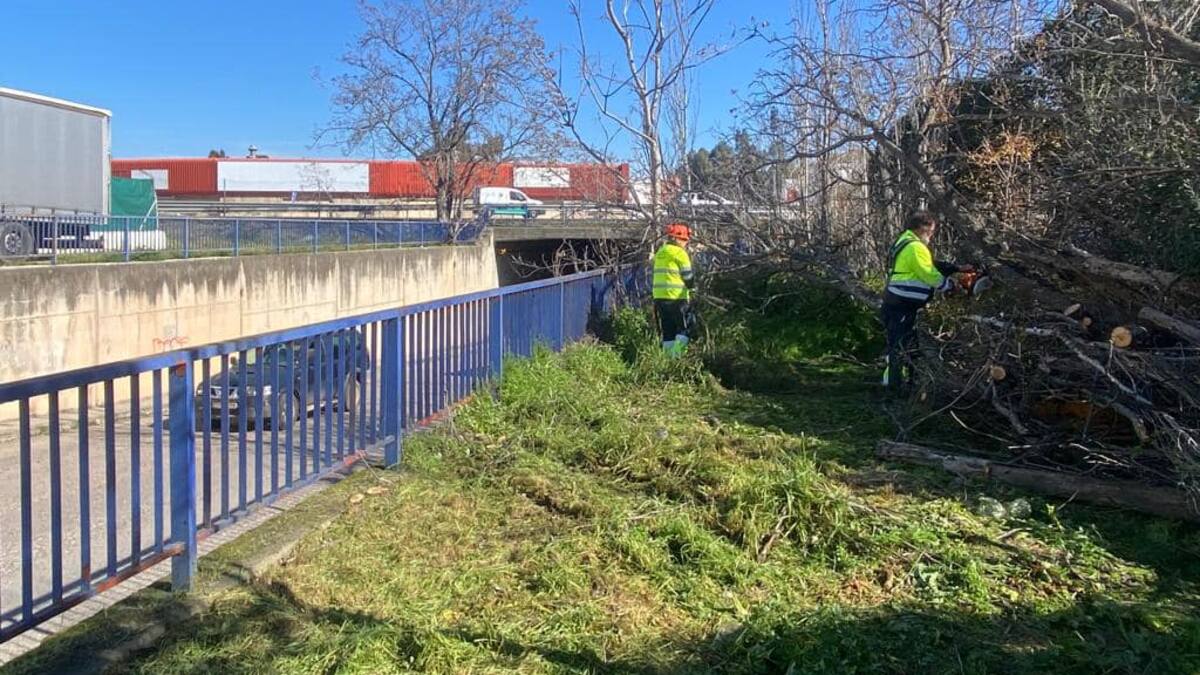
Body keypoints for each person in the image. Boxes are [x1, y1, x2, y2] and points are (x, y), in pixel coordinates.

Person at [881, 211, 973, 390]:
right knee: (899, 345)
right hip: (902, 303)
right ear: (921, 228)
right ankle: (894, 387)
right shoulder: (915, 247)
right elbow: (928, 273)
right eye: (931, 231)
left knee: (902, 343)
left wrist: (956, 268)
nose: (932, 235)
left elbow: (930, 264)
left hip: (897, 302)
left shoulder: (904, 242)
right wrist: (949, 286)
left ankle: (901, 382)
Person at [652, 222, 695, 357]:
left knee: (668, 330)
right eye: (684, 240)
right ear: (677, 239)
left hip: (659, 298)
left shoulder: (661, 252)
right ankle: (677, 357)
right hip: (677, 297)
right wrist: (692, 288)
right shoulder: (680, 253)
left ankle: (667, 359)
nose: (685, 244)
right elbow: (688, 276)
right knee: (686, 328)